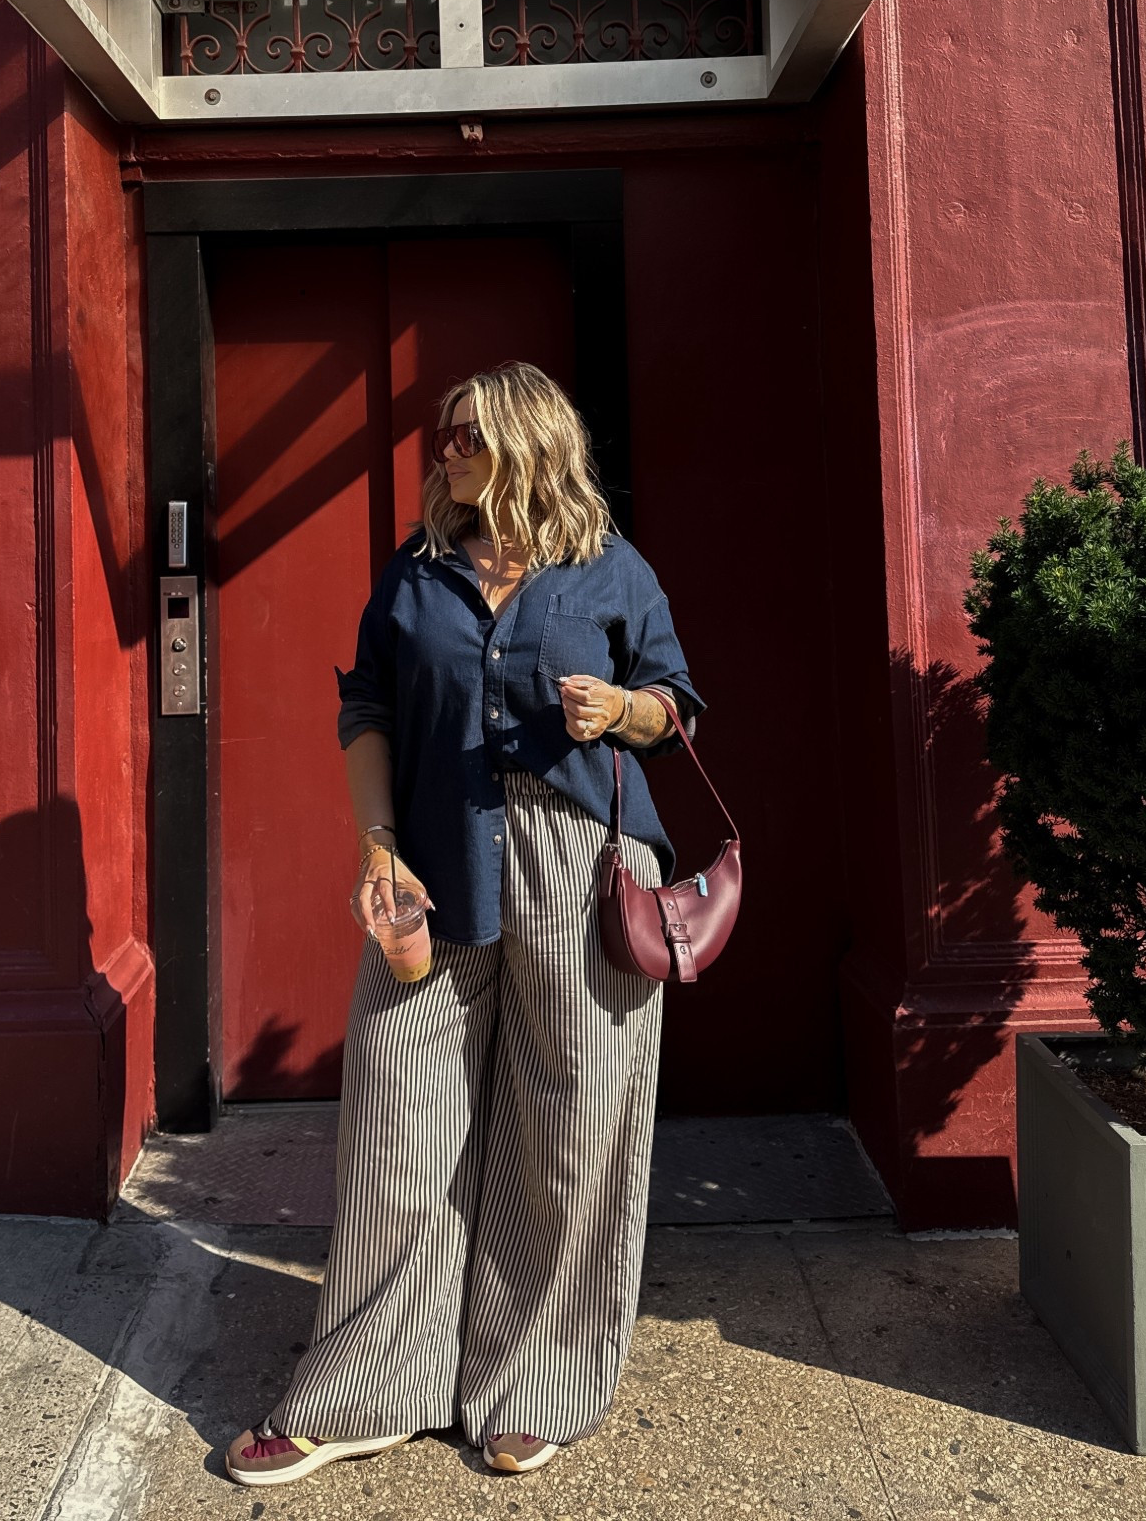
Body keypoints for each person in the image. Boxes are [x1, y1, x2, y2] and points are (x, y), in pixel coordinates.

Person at [226, 361, 703, 1487]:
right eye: (443, 436)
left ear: (531, 440)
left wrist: (620, 708)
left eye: (469, 436)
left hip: (580, 864)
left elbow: (675, 705)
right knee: (398, 1123)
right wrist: (376, 843)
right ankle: (368, 1386)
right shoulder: (416, 572)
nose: (447, 452)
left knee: (571, 1126)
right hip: (435, 866)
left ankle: (532, 1382)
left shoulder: (610, 568)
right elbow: (368, 708)